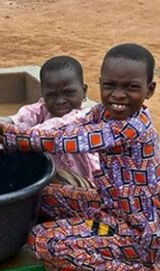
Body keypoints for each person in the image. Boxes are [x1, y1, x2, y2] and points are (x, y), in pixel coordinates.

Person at [0, 44, 160, 271]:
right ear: (99, 85)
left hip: (137, 231)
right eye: (110, 85)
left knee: (42, 241)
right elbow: (66, 128)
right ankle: (105, 253)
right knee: (41, 195)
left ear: (150, 90)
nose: (118, 95)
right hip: (109, 207)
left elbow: (63, 140)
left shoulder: (131, 128)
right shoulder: (102, 113)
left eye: (131, 87)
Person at [7, 56, 100, 188]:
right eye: (51, 95)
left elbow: (48, 130)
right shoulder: (42, 109)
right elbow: (19, 119)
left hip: (85, 186)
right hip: (54, 181)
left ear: (84, 91)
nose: (60, 100)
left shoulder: (85, 118)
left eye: (69, 92)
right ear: (43, 94)